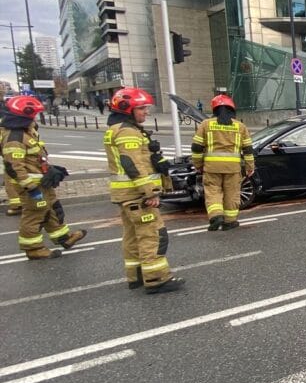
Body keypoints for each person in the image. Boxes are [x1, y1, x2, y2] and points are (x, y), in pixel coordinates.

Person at [104, 87, 183, 293]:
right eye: (141, 108)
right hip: (137, 195)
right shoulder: (127, 131)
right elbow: (132, 164)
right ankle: (156, 279)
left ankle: (136, 276)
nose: (146, 112)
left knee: (132, 236)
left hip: (126, 195)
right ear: (127, 109)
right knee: (153, 235)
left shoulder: (118, 129)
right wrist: (150, 192)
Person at [1, 95, 87, 260]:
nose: (34, 119)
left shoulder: (25, 133)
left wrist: (50, 170)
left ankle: (64, 238)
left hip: (41, 182)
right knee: (34, 215)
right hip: (32, 186)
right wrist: (30, 188)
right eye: (32, 115)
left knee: (52, 209)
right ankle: (33, 249)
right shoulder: (15, 138)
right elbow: (14, 166)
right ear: (23, 116)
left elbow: (33, 159)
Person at [190, 93, 255, 231]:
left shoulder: (206, 124)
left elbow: (196, 147)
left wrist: (198, 165)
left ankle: (216, 216)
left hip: (211, 167)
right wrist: (250, 167)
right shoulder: (240, 126)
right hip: (233, 168)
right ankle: (230, 221)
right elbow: (248, 150)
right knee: (232, 193)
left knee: (213, 192)